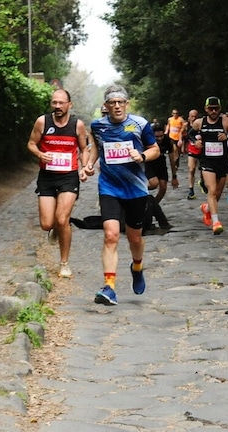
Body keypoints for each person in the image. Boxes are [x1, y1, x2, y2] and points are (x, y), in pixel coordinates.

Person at [86, 85, 161, 306]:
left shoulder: (140, 124)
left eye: (121, 102)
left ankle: (137, 267)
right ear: (106, 106)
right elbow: (96, 149)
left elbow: (154, 148)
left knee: (134, 238)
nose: (117, 106)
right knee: (110, 235)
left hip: (136, 188)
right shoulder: (98, 126)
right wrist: (89, 165)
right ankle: (109, 287)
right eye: (112, 103)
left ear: (126, 104)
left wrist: (142, 156)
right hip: (109, 187)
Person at [26, 88, 92, 279]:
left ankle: (64, 263)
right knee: (47, 224)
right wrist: (40, 154)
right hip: (47, 176)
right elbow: (31, 143)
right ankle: (55, 228)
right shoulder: (42, 122)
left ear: (69, 104)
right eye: (54, 102)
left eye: (61, 103)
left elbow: (84, 148)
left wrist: (85, 166)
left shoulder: (77, 125)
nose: (57, 106)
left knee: (63, 219)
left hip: (68, 176)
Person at [192, 96, 228, 234]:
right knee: (211, 190)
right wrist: (195, 141)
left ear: (220, 109)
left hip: (222, 161)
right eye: (210, 108)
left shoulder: (226, 122)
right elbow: (189, 134)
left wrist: (227, 137)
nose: (213, 111)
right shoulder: (200, 122)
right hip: (207, 161)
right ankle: (216, 222)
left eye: (216, 108)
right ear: (206, 109)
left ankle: (207, 208)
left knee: (217, 193)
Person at [144, 120, 173, 232]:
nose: (159, 139)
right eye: (157, 137)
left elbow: (171, 157)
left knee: (163, 187)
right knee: (153, 184)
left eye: (161, 136)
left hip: (161, 163)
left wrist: (174, 175)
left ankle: (152, 207)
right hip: (149, 163)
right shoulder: (146, 140)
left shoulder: (167, 140)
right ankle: (137, 191)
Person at [184, 109, 202, 199]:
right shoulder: (186, 125)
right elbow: (183, 134)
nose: (194, 118)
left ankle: (202, 181)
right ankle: (191, 190)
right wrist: (180, 141)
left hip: (202, 150)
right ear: (189, 117)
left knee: (203, 170)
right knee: (191, 169)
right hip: (192, 149)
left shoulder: (201, 124)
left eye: (196, 116)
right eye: (192, 116)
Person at [166, 109, 186, 187]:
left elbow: (184, 126)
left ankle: (177, 161)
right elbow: (168, 126)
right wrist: (166, 132)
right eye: (174, 113)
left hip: (179, 137)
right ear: (172, 114)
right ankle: (175, 161)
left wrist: (183, 130)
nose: (175, 115)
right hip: (171, 137)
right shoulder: (170, 119)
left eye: (176, 113)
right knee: (174, 150)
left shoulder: (180, 119)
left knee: (178, 151)